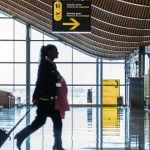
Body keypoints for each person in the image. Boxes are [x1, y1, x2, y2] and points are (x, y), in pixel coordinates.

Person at [14, 44, 67, 150]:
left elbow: (53, 80)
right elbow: (39, 82)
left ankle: (58, 145)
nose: (57, 53)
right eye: (55, 51)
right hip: (45, 101)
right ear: (49, 52)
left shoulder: (52, 65)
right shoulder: (44, 65)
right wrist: (36, 96)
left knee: (56, 122)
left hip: (51, 101)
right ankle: (21, 136)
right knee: (41, 122)